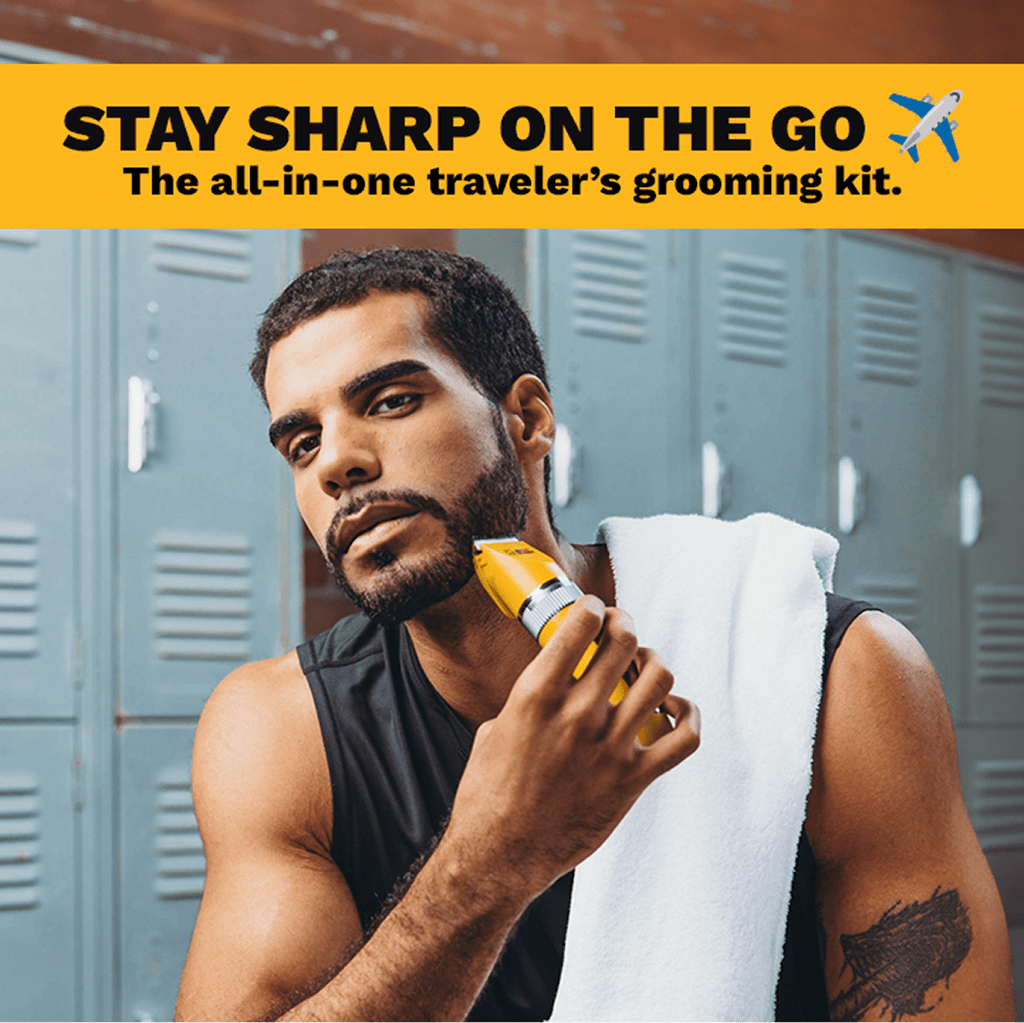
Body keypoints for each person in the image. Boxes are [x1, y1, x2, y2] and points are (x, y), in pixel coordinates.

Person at [175, 248, 1014, 1023]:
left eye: (391, 401)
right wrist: (491, 861)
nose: (337, 463)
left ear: (529, 419)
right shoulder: (277, 734)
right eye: (300, 441)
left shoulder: (835, 675)